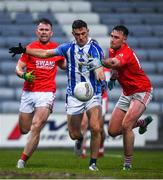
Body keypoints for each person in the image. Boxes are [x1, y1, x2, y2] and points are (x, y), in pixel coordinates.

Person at [9, 19, 106, 171]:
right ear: (73, 34)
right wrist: (25, 51)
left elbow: (99, 68)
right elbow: (46, 54)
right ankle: (80, 139)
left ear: (88, 32)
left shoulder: (95, 48)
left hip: (90, 92)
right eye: (78, 34)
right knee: (73, 134)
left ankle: (93, 163)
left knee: (95, 127)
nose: (81, 37)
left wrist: (101, 76)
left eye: (83, 33)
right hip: (72, 94)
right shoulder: (66, 47)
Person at [12, 18, 65, 168]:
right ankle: (31, 142)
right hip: (28, 92)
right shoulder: (30, 48)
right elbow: (18, 68)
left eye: (46, 30)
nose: (43, 32)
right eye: (41, 29)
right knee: (24, 129)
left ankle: (22, 161)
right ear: (37, 32)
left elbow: (64, 65)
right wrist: (23, 75)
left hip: (47, 93)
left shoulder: (57, 49)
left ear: (51, 32)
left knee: (36, 126)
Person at [101, 25, 153, 170]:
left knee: (126, 126)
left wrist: (98, 61)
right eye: (111, 36)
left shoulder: (126, 52)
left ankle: (127, 164)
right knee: (112, 131)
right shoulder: (113, 50)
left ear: (124, 39)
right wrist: (113, 78)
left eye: (116, 37)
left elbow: (114, 63)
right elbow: (116, 68)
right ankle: (141, 123)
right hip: (127, 93)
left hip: (142, 90)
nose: (112, 39)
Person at [81, 67, 110, 159]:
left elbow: (104, 85)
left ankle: (101, 147)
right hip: (86, 97)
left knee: (99, 128)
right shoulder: (84, 65)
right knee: (83, 124)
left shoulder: (105, 69)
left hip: (100, 98)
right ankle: (83, 150)